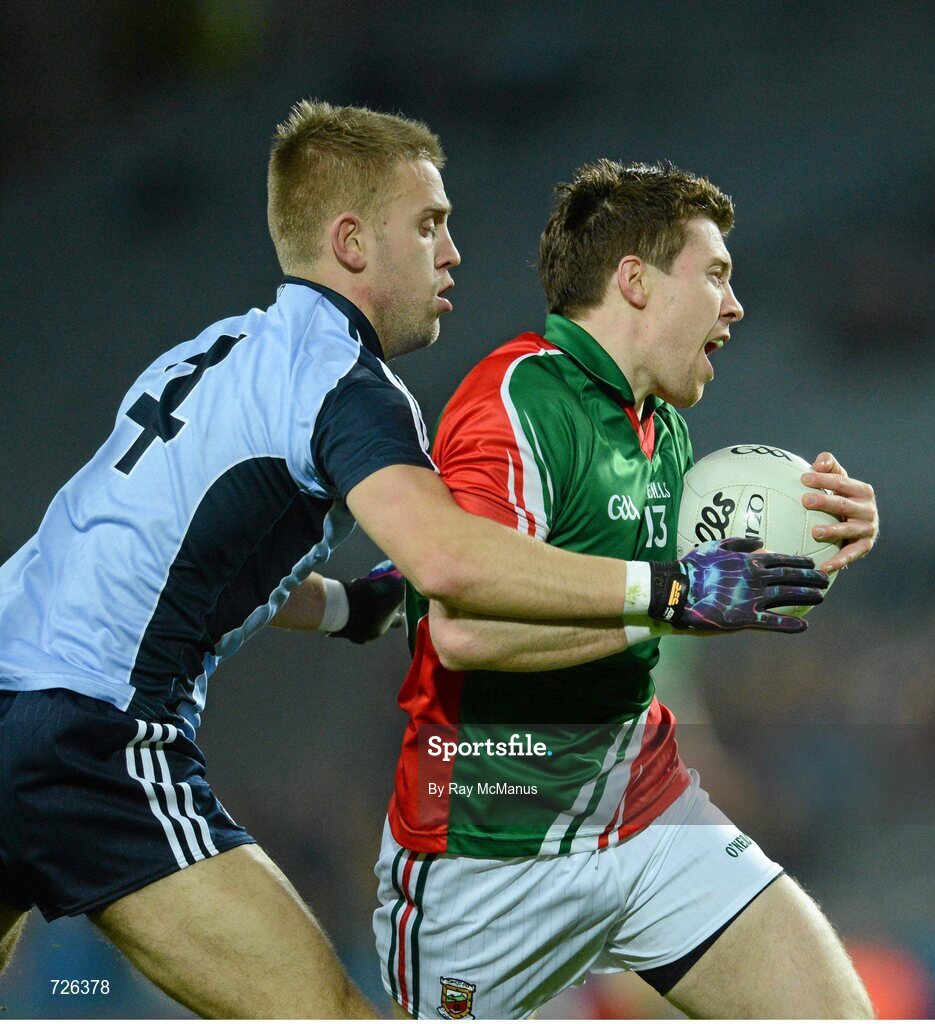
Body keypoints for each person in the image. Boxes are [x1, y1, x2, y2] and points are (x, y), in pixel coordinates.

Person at [0, 107, 827, 1019]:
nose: (452, 254)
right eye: (428, 224)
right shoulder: (343, 385)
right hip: (92, 737)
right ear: (350, 242)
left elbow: (174, 561)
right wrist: (672, 590)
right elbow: (449, 565)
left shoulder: (207, 355)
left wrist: (353, 609)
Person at [374, 159, 879, 1019]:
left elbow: (656, 609)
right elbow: (460, 632)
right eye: (715, 274)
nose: (734, 304)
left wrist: (809, 550)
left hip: (648, 815)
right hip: (489, 848)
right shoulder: (517, 398)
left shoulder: (668, 433)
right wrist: (683, 598)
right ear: (635, 282)